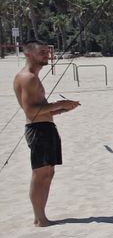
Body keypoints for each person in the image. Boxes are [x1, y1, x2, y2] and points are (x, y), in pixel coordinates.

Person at [13, 41, 80, 227]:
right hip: (38, 130)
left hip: (45, 127)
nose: (46, 55)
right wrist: (60, 104)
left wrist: (63, 109)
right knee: (41, 173)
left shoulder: (33, 77)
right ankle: (40, 218)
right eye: (41, 52)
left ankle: (41, 216)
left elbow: (41, 110)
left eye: (47, 52)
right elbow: (31, 111)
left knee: (48, 173)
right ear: (28, 55)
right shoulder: (28, 78)